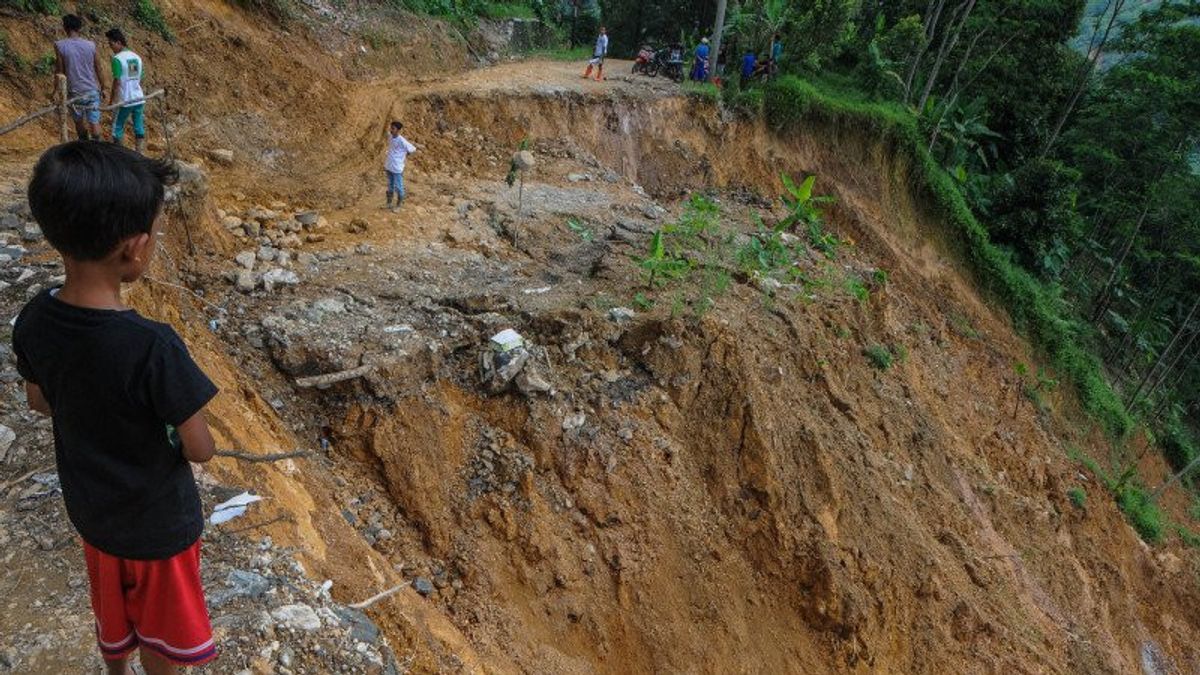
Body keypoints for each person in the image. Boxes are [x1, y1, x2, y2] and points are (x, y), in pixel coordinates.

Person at [13, 141, 219, 674]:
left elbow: (39, 402)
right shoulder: (154, 347)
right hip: (159, 530)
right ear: (136, 248)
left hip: (94, 519)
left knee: (113, 613)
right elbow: (201, 450)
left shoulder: (34, 319)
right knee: (162, 633)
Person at [54, 14, 105, 141]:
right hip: (91, 90)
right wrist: (104, 87)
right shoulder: (91, 45)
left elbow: (60, 71)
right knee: (94, 122)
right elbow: (98, 68)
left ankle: (84, 145)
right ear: (79, 28)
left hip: (74, 92)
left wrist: (55, 90)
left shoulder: (60, 45)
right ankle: (97, 147)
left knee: (79, 122)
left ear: (65, 28)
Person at [105, 28, 147, 154]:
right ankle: (140, 152)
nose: (111, 47)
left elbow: (117, 82)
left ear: (118, 42)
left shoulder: (117, 59)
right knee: (138, 126)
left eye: (111, 44)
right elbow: (140, 78)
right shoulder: (136, 57)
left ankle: (120, 155)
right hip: (138, 98)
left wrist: (112, 101)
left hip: (125, 100)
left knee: (117, 127)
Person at [384, 120, 417, 211]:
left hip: (397, 167)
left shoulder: (402, 141)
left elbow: (413, 149)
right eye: (391, 127)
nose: (391, 130)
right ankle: (389, 203)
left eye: (393, 128)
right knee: (390, 185)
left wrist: (403, 156)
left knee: (399, 187)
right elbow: (385, 133)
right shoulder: (390, 136)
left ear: (398, 130)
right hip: (389, 165)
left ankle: (398, 206)